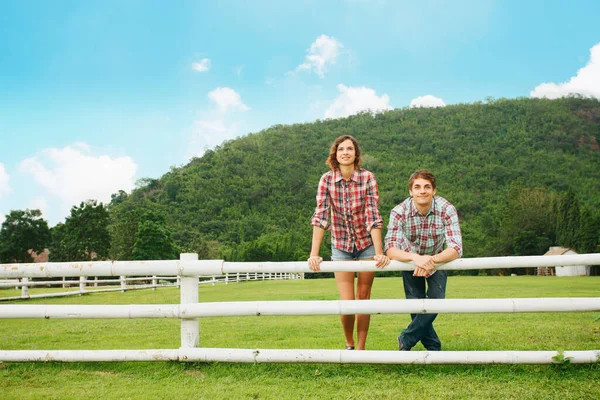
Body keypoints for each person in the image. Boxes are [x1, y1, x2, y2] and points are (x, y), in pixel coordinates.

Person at [308, 135, 389, 351]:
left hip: (366, 245)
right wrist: (313, 254)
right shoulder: (326, 180)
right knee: (347, 302)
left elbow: (373, 215)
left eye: (350, 149)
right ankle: (349, 344)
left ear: (356, 154)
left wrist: (379, 252)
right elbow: (320, 217)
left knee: (363, 298)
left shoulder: (368, 178)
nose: (345, 152)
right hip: (341, 246)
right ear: (335, 154)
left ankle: (361, 349)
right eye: (341, 149)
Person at [384, 170, 462, 351]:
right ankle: (433, 346)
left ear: (434, 190)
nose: (422, 191)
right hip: (409, 259)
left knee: (436, 299)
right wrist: (416, 259)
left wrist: (430, 261)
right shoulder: (399, 211)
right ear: (410, 191)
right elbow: (390, 248)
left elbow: (456, 247)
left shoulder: (447, 209)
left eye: (427, 187)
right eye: (417, 187)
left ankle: (406, 338)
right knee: (416, 304)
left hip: (437, 259)